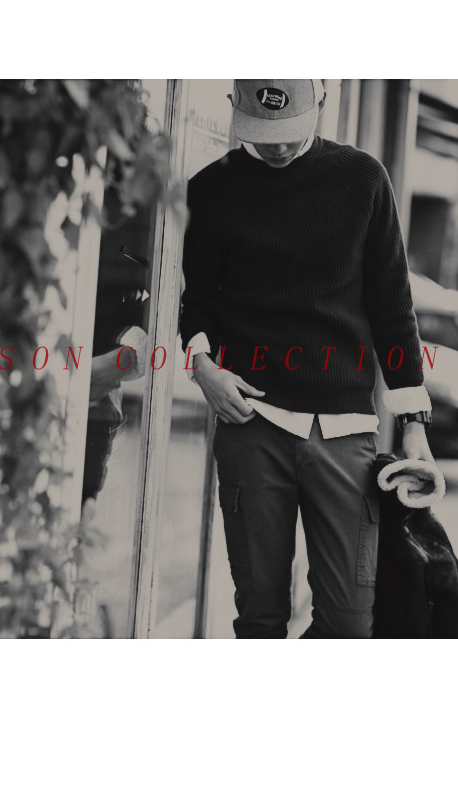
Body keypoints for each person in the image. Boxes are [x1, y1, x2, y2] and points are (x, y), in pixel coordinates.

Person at [180, 79, 439, 639]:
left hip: (345, 432)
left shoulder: (363, 179)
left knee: (349, 625)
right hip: (252, 425)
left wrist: (415, 423)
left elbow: (393, 308)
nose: (276, 145)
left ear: (321, 104)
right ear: (235, 110)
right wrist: (203, 368)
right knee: (260, 621)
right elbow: (196, 304)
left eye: (290, 131)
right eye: (262, 131)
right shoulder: (212, 188)